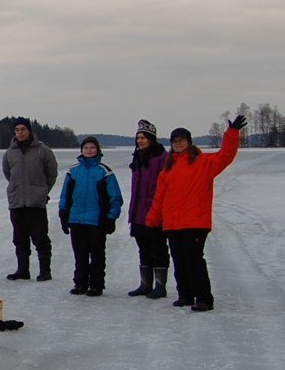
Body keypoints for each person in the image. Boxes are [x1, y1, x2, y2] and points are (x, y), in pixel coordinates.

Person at [145, 115, 245, 312]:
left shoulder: (204, 162)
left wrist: (232, 133)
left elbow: (226, 155)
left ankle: (204, 298)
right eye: (175, 141)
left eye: (181, 140)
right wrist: (151, 220)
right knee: (179, 261)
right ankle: (185, 295)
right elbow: (159, 198)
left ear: (189, 142)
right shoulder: (167, 169)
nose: (178, 144)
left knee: (194, 260)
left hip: (195, 222)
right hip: (173, 223)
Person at [57, 136, 123, 296]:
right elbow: (65, 194)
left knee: (97, 255)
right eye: (86, 148)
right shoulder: (73, 171)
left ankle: (96, 284)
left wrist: (111, 217)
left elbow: (115, 197)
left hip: (96, 220)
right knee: (80, 255)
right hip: (76, 219)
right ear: (81, 150)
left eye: (92, 147)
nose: (89, 150)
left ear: (97, 150)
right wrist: (63, 213)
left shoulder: (104, 171)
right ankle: (80, 283)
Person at [2, 117, 58, 281]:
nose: (20, 132)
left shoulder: (43, 150)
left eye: (23, 129)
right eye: (17, 130)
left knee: (40, 237)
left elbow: (51, 174)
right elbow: (8, 174)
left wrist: (42, 191)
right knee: (19, 238)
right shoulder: (9, 153)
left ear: (29, 131)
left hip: (36, 202)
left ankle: (45, 271)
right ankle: (22, 270)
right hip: (17, 202)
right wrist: (17, 189)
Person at [125, 120, 170, 298]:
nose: (140, 141)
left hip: (156, 212)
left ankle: (160, 286)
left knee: (158, 249)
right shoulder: (138, 157)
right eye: (138, 138)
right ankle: (145, 284)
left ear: (151, 138)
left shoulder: (162, 158)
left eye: (143, 138)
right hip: (138, 212)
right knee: (143, 249)